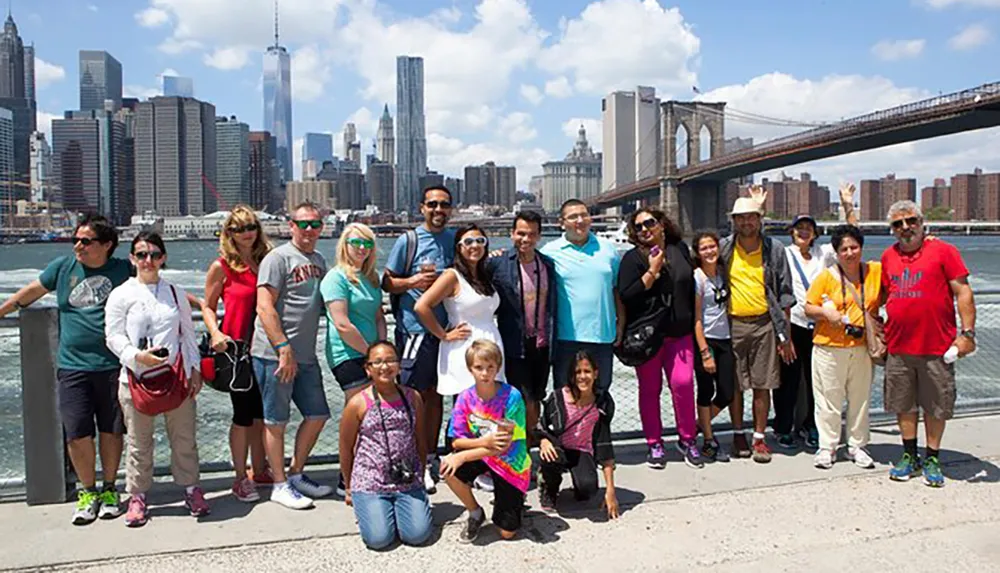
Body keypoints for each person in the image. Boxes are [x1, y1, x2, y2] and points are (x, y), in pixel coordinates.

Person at [0, 214, 130, 525]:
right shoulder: (62, 268)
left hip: (113, 364)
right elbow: (30, 293)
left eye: (86, 241)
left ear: (107, 245)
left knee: (112, 430)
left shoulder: (124, 270)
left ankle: (110, 489)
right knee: (76, 432)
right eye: (76, 240)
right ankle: (88, 492)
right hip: (73, 366)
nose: (78, 246)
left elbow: (157, 290)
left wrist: (201, 308)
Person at [104, 232, 208, 527]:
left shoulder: (175, 292)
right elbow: (113, 336)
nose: (147, 260)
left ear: (163, 258)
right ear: (132, 259)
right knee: (138, 443)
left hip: (175, 377)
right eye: (141, 254)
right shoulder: (121, 294)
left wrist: (194, 369)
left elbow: (187, 334)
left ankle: (191, 489)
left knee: (184, 440)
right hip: (135, 379)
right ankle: (137, 496)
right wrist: (137, 357)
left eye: (153, 254)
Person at [880, 201, 976, 488]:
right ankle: (909, 455)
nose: (905, 228)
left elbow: (963, 292)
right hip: (898, 347)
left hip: (937, 346)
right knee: (904, 405)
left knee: (936, 406)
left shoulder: (944, 251)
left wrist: (967, 334)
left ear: (921, 223)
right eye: (898, 224)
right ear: (892, 230)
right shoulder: (887, 256)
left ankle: (932, 456)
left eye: (911, 221)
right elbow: (885, 294)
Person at [251, 202, 331, 509]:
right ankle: (279, 484)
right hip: (274, 355)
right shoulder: (277, 258)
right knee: (276, 420)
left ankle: (297, 473)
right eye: (303, 224)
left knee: (318, 414)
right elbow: (264, 306)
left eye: (315, 224)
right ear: (291, 226)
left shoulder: (319, 260)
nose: (309, 230)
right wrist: (282, 348)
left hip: (306, 355)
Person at [383, 185, 456, 493]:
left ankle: (430, 455)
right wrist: (412, 281)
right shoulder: (408, 240)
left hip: (449, 331)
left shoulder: (455, 239)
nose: (439, 210)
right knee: (413, 398)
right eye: (433, 204)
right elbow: (386, 281)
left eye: (444, 205)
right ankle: (414, 461)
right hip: (414, 331)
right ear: (422, 208)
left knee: (436, 396)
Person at [774, 183, 857, 451]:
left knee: (817, 382)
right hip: (793, 324)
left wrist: (847, 205)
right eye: (799, 227)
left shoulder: (824, 254)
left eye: (808, 228)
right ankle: (783, 428)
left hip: (821, 326)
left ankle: (811, 426)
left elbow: (851, 238)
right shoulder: (783, 254)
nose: (804, 231)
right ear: (792, 232)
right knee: (787, 380)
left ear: (815, 233)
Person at [616, 208, 701, 469]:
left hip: (680, 333)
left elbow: (694, 284)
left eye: (649, 223)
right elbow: (626, 294)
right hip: (648, 337)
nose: (644, 229)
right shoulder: (633, 258)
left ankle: (687, 439)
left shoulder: (680, 250)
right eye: (639, 226)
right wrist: (651, 272)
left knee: (683, 384)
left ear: (662, 224)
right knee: (650, 391)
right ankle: (654, 443)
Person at [201, 205, 273, 503]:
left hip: (265, 347)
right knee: (243, 415)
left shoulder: (267, 261)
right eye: (240, 228)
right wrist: (216, 332)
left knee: (260, 413)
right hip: (237, 351)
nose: (247, 233)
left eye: (251, 227)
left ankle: (260, 468)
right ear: (229, 233)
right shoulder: (222, 266)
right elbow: (207, 305)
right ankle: (240, 478)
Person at [718, 189, 796, 463]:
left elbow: (785, 293)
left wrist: (785, 334)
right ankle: (738, 433)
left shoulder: (774, 249)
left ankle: (759, 438)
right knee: (736, 384)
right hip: (733, 323)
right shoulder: (725, 248)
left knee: (763, 384)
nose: (746, 222)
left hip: (765, 324)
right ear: (734, 222)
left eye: (752, 217)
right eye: (741, 218)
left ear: (760, 220)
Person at [338, 342, 432, 550]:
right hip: (370, 480)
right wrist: (348, 487)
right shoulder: (357, 403)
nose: (384, 366)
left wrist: (420, 473)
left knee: (418, 535)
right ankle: (370, 508)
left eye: (390, 360)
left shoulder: (412, 397)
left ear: (399, 366)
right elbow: (345, 447)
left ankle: (400, 508)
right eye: (377, 362)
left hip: (406, 477)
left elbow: (420, 439)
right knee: (379, 540)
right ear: (368, 369)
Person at [804, 225, 880, 470]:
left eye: (854, 247)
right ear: (836, 252)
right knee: (828, 400)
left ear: (861, 248)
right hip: (829, 347)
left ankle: (857, 446)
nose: (849, 252)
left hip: (861, 347)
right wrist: (825, 312)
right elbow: (808, 307)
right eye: (843, 248)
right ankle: (828, 447)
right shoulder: (827, 276)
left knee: (860, 399)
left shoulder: (874, 271)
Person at [440, 340, 530, 544]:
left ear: (498, 367)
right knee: (448, 468)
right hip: (482, 455)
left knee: (507, 533)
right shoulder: (464, 398)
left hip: (510, 463)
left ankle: (513, 500)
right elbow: (456, 442)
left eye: (490, 367)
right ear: (470, 369)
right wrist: (485, 441)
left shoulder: (511, 396)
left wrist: (464, 455)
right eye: (479, 367)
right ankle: (475, 512)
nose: (485, 373)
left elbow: (503, 446)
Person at [321, 223, 387, 497]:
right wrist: (371, 354)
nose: (362, 248)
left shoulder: (371, 278)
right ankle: (345, 478)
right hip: (347, 355)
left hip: (371, 354)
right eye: (356, 242)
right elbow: (343, 324)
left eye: (367, 244)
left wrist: (382, 348)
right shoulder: (335, 278)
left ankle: (368, 469)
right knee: (357, 415)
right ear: (344, 245)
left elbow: (379, 316)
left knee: (372, 414)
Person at [485, 210, 557, 449]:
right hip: (513, 343)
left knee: (536, 396)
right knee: (519, 398)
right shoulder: (497, 263)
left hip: (542, 343)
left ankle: (528, 446)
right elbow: (474, 285)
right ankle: (518, 451)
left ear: (539, 236)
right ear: (512, 233)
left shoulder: (547, 265)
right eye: (521, 233)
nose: (525, 239)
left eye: (532, 234)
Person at [541, 199, 624, 395]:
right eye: (573, 217)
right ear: (561, 223)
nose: (580, 220)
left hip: (602, 336)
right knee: (565, 395)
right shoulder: (549, 253)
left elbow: (616, 290)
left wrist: (621, 324)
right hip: (565, 338)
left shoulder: (609, 250)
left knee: (600, 394)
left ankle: (599, 428)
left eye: (584, 215)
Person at [414, 223, 505, 397]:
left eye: (480, 241)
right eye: (468, 241)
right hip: (465, 346)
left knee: (490, 404)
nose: (475, 245)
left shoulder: (484, 275)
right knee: (467, 404)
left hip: (491, 343)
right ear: (459, 247)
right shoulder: (452, 276)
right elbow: (421, 306)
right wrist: (443, 335)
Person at [536, 351, 619, 520]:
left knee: (588, 490)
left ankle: (579, 483)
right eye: (577, 372)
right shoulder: (558, 398)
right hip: (558, 448)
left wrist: (611, 491)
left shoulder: (602, 402)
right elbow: (542, 426)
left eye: (587, 371)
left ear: (595, 374)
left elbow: (605, 445)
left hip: (582, 450)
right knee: (550, 456)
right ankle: (548, 486)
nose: (583, 376)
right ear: (572, 376)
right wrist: (543, 440)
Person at [692, 231, 736, 463]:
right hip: (706, 340)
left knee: (728, 391)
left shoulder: (722, 273)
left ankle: (697, 425)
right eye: (704, 248)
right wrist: (704, 352)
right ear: (697, 253)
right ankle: (709, 440)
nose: (709, 251)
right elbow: (697, 318)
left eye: (712, 246)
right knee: (706, 391)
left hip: (725, 339)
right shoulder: (697, 278)